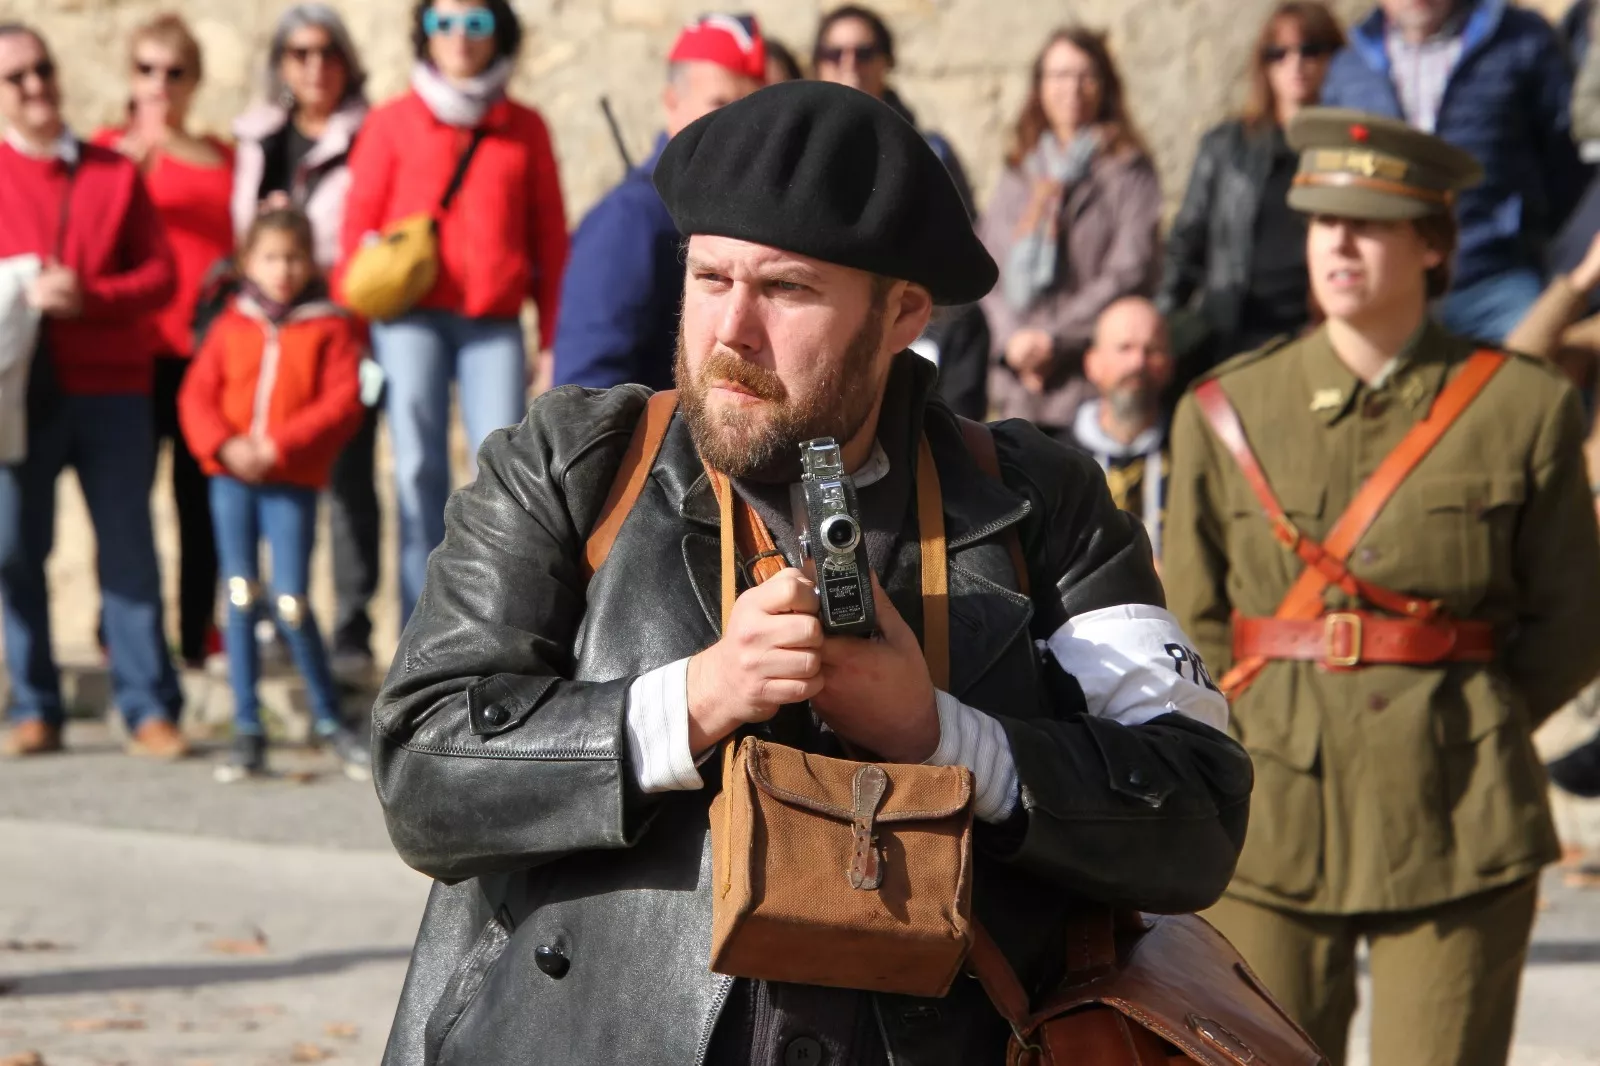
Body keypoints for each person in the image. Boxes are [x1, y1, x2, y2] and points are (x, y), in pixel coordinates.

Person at [371, 81, 1250, 1066]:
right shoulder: (572, 463)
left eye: (784, 289)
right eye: (709, 279)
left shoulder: (1039, 502)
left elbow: (1200, 807)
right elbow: (418, 767)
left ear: (901, 311)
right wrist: (690, 701)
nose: (729, 334)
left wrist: (941, 736)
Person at [1164, 108, 1600, 1066]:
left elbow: (1572, 620)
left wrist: (1467, 718)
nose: (1341, 243)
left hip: (1460, 815)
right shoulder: (1223, 409)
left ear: (1433, 243)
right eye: (1324, 220)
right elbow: (1193, 629)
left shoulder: (1523, 410)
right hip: (1273, 814)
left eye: (1370, 222)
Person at [341, 0, 569, 627]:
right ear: (425, 34)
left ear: (499, 33)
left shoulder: (525, 127)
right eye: (445, 23)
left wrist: (550, 339)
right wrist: (355, 335)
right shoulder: (391, 124)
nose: (460, 38)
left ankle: (486, 628)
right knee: (417, 471)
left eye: (476, 23)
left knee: (500, 475)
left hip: (490, 323)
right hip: (408, 320)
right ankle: (421, 635)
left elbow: (551, 242)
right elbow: (357, 230)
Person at [0, 24, 187, 759]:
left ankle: (147, 707)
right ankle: (35, 705)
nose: (36, 86)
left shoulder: (113, 172)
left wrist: (91, 297)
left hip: (113, 391)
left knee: (130, 551)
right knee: (16, 548)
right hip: (20, 397)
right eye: (16, 78)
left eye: (42, 69)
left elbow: (162, 275)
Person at [178, 208, 369, 782]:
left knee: (291, 601)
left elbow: (341, 404)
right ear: (247, 263)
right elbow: (196, 398)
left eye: (292, 257)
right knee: (239, 594)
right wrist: (224, 445)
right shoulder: (230, 325)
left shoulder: (330, 327)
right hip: (231, 477)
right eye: (269, 257)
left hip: (291, 480)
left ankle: (331, 722)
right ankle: (247, 728)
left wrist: (279, 446)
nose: (282, 270)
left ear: (309, 261)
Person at [235, 3, 378, 680]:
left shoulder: (368, 135)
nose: (314, 65)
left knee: (349, 481)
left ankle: (350, 624)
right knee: (268, 478)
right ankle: (267, 617)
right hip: (265, 334)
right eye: (299, 53)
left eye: (325, 51)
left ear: (345, 60)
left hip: (338, 325)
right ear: (282, 63)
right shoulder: (259, 140)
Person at [89, 14, 232, 671]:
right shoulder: (105, 155)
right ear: (130, 77)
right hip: (130, 352)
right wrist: (130, 169)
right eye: (147, 70)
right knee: (123, 497)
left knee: (197, 502)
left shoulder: (223, 160)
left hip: (201, 354)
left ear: (194, 80)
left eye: (174, 72)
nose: (159, 85)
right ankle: (114, 625)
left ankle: (195, 628)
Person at [1319, 0, 1584, 343]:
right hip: (1389, 288)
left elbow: (1566, 159)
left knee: (1538, 381)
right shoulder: (1350, 66)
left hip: (1497, 278)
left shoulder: (1520, 39)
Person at [551, 14, 765, 392]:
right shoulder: (631, 218)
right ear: (672, 102)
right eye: (719, 103)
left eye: (749, 108)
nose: (736, 125)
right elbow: (586, 387)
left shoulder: (731, 211)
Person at [978, 27, 1162, 439]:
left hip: (1087, 383)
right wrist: (1014, 344)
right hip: (1016, 385)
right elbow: (987, 266)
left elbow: (1129, 270)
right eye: (1059, 75)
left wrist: (1052, 340)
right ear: (1040, 87)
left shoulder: (1128, 171)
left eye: (1086, 75)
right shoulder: (1021, 171)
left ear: (1105, 86)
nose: (1072, 89)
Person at [1159, 1, 1344, 381]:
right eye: (1279, 53)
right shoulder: (1226, 146)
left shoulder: (1348, 149)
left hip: (1315, 333)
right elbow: (1186, 243)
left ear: (1333, 56)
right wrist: (1157, 324)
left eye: (1310, 49)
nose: (1295, 64)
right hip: (1233, 330)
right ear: (1264, 64)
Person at [812, 4, 973, 218]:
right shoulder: (799, 146)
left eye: (864, 53)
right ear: (818, 64)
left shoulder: (930, 151)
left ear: (886, 61)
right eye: (834, 54)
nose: (849, 64)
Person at [1070, 297, 1174, 562]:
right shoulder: (1056, 459)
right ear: (1092, 363)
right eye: (1124, 348)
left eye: (1152, 350)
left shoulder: (1190, 450)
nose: (1138, 363)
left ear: (1169, 364)